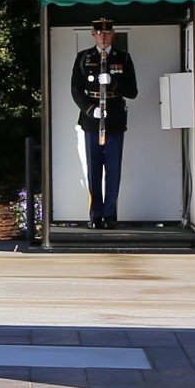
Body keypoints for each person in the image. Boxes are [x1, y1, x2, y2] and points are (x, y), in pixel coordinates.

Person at [72, 17, 139, 230]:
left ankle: (110, 214)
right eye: (98, 32)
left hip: (115, 119)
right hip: (92, 121)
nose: (102, 36)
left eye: (106, 32)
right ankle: (96, 214)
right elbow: (76, 90)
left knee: (113, 169)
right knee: (93, 169)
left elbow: (132, 91)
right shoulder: (84, 57)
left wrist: (114, 83)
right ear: (93, 34)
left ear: (113, 34)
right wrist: (91, 110)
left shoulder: (124, 58)